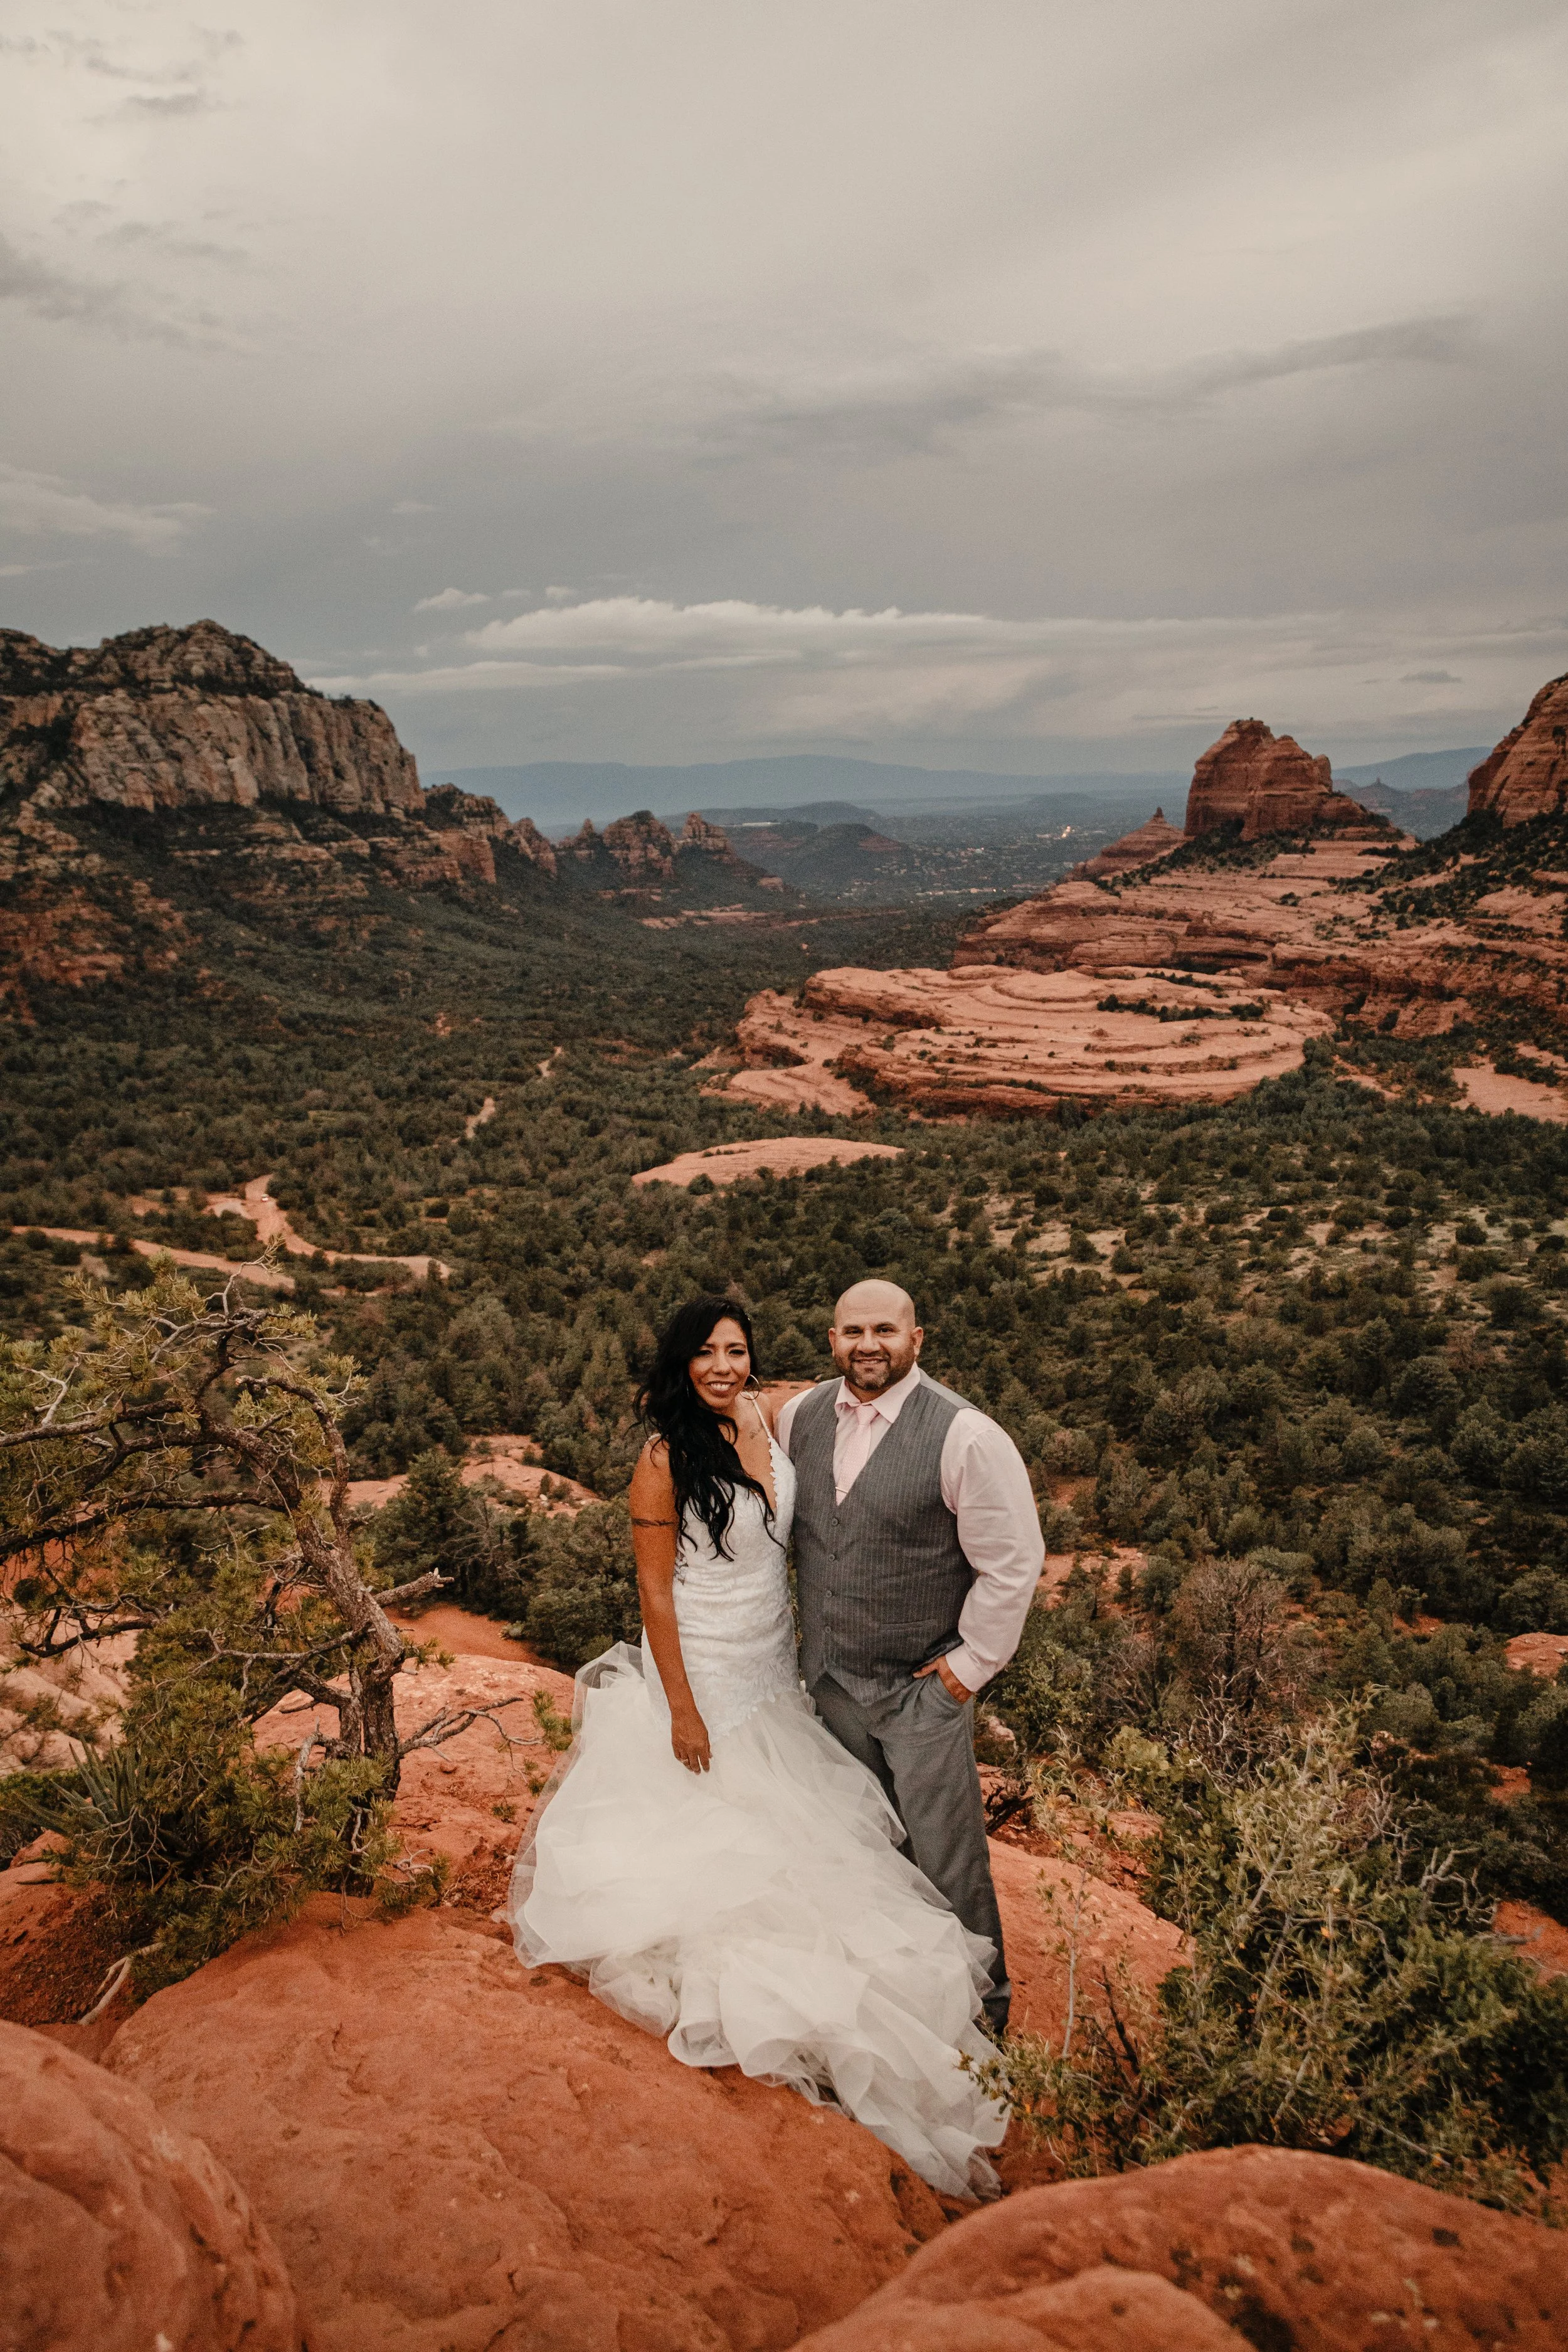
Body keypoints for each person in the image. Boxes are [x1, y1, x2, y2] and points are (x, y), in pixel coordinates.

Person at [506, 1293, 1006, 2198]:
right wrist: (683, 1709)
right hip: (705, 1668)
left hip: (777, 1666)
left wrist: (874, 1363)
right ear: (680, 1362)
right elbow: (656, 1595)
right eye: (705, 1353)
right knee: (734, 1844)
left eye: (737, 1351)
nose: (724, 1367)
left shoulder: (771, 1415)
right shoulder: (662, 1458)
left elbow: (854, 1398)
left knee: (814, 1832)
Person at [775, 1279, 1044, 2035]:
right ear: (831, 1340)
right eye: (853, 1331)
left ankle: (982, 2020)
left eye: (885, 1331)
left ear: (915, 1339)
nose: (869, 1345)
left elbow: (1013, 1563)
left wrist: (966, 1670)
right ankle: (891, 2006)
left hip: (919, 1690)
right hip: (829, 1684)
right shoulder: (799, 1417)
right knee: (861, 1848)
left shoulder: (966, 1435)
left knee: (946, 1859)